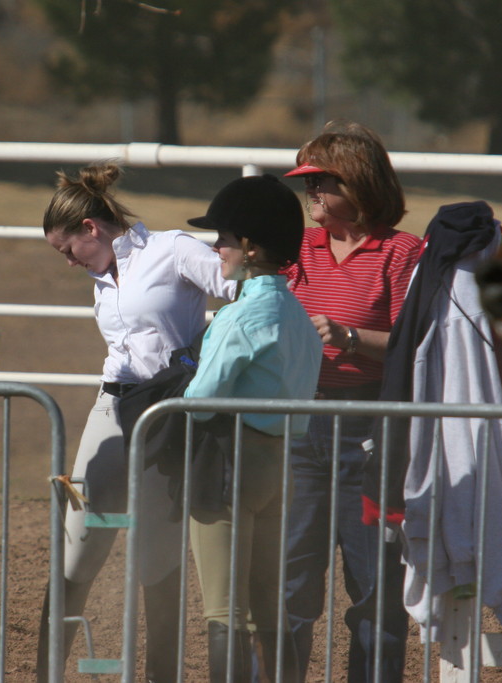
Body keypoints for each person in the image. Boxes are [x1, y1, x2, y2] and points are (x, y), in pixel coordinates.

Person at [36, 162, 237, 683]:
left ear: (90, 229)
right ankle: (47, 672)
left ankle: (160, 676)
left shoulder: (174, 249)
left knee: (157, 556)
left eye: (66, 250)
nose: (67, 262)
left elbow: (241, 292)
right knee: (77, 543)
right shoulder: (102, 275)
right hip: (112, 405)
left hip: (167, 411)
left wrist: (208, 354)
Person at [281, 121, 422, 682]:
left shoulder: (402, 253)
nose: (310, 193)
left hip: (372, 433)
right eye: (306, 183)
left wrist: (348, 337)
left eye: (322, 181)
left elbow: (416, 350)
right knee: (290, 578)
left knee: (374, 583)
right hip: (301, 426)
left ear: (359, 183)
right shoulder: (297, 249)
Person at [182, 174, 322, 683]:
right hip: (278, 464)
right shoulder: (299, 316)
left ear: (249, 245)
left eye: (222, 237)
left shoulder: (240, 317)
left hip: (229, 463)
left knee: (225, 611)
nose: (216, 247)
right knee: (267, 606)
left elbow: (200, 399)